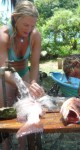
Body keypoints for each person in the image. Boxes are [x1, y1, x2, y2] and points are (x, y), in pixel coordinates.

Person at [0, 1, 45, 149]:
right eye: (26, 25)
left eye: (32, 25)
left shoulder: (35, 35)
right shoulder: (3, 35)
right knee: (4, 113)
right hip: (6, 76)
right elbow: (5, 70)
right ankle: (6, 146)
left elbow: (35, 65)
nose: (29, 29)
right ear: (15, 18)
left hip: (24, 72)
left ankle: (26, 145)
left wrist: (32, 83)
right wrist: (23, 85)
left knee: (29, 109)